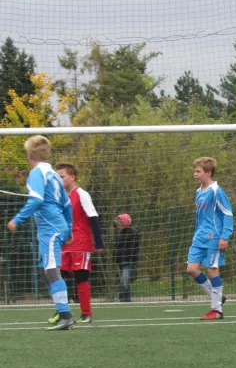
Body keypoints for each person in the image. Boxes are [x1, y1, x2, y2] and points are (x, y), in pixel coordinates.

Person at [7, 135, 75, 331]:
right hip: (57, 227)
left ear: (30, 155)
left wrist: (17, 220)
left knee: (52, 271)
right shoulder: (54, 174)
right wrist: (68, 228)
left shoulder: (37, 173)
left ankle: (65, 315)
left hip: (51, 229)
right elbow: (67, 203)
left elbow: (36, 200)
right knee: (47, 270)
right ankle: (62, 311)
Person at [45, 163, 105, 325]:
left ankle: (86, 313)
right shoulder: (60, 196)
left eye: (62, 176)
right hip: (64, 244)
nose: (59, 179)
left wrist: (99, 243)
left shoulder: (82, 194)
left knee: (81, 277)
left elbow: (93, 218)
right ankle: (62, 312)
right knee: (58, 276)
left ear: (72, 177)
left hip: (81, 243)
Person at [186, 157, 233, 320]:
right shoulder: (199, 192)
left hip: (214, 237)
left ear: (208, 173)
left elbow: (227, 213)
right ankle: (217, 298)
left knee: (212, 270)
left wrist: (225, 236)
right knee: (191, 269)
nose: (195, 174)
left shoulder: (216, 191)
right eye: (194, 171)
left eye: (198, 171)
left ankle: (217, 310)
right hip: (199, 238)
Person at [114, 213, 140, 302]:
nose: (118, 224)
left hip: (128, 262)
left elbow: (133, 248)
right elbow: (117, 247)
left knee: (125, 282)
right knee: (122, 282)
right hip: (120, 262)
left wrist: (127, 258)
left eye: (120, 222)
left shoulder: (133, 233)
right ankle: (122, 300)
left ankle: (126, 300)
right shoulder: (119, 233)